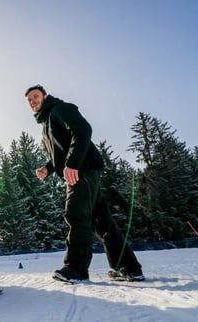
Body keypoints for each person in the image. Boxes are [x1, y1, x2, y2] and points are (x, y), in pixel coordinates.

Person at [24, 84, 145, 282]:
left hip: (82, 170)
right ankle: (129, 268)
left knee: (76, 214)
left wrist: (72, 165)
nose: (32, 101)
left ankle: (76, 269)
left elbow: (82, 130)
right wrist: (48, 168)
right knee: (103, 223)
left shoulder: (60, 109)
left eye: (35, 96)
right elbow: (60, 153)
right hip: (82, 171)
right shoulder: (46, 124)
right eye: (29, 100)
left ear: (45, 96)